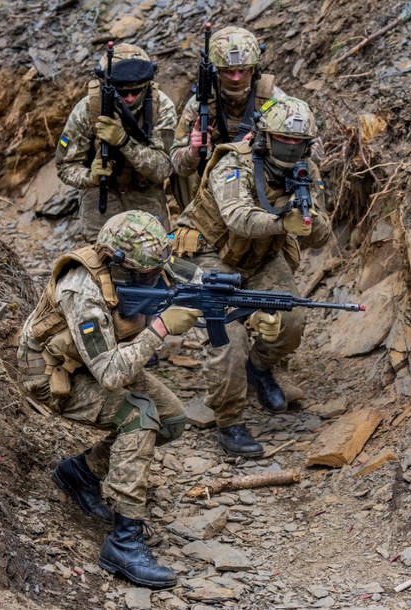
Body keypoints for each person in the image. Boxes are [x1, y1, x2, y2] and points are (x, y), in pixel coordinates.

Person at [16, 210, 204, 589]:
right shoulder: (82, 292)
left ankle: (81, 473)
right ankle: (123, 541)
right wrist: (162, 328)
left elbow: (190, 277)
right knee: (138, 414)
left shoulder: (143, 267)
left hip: (100, 360)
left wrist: (224, 300)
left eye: (156, 271)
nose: (156, 278)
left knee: (172, 419)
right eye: (147, 275)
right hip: (55, 375)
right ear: (121, 266)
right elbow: (112, 375)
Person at [172, 95, 332, 458]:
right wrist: (282, 222)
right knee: (227, 339)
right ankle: (229, 420)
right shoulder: (234, 163)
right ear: (264, 137)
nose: (290, 150)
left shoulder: (307, 170)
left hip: (261, 256)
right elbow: (237, 217)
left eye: (297, 144)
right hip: (212, 251)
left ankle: (259, 369)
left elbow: (323, 232)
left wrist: (308, 222)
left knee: (291, 321)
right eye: (283, 141)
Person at [55, 44, 177, 241]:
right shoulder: (87, 110)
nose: (129, 98)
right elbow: (64, 166)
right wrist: (91, 176)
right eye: (122, 92)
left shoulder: (161, 107)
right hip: (101, 198)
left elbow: (164, 168)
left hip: (145, 196)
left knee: (154, 259)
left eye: (136, 91)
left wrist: (124, 142)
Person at [169, 25, 285, 208]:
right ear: (216, 71)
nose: (236, 78)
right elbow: (177, 166)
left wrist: (270, 143)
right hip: (212, 192)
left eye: (243, 70)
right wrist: (192, 151)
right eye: (229, 71)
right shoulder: (200, 104)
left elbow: (312, 150)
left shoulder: (274, 100)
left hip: (263, 192)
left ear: (254, 68)